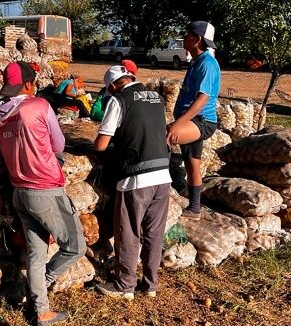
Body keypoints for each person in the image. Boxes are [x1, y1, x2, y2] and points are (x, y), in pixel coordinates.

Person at [0, 61, 86, 326]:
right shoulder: (38, 105)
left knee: (36, 256)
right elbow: (59, 144)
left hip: (20, 193)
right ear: (28, 84)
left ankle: (41, 312)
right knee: (75, 247)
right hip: (45, 190)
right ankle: (40, 287)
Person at [94, 65, 171, 300]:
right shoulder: (156, 98)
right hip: (163, 176)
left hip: (137, 178)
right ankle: (151, 285)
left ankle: (125, 285)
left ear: (113, 85)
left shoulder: (119, 100)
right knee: (154, 233)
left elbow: (101, 145)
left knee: (127, 232)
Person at [166, 21, 221, 220]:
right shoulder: (196, 61)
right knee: (191, 163)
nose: (184, 37)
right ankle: (195, 208)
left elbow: (202, 98)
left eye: (188, 34)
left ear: (197, 39)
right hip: (192, 120)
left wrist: (179, 123)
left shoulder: (207, 64)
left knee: (164, 137)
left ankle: (157, 194)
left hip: (201, 121)